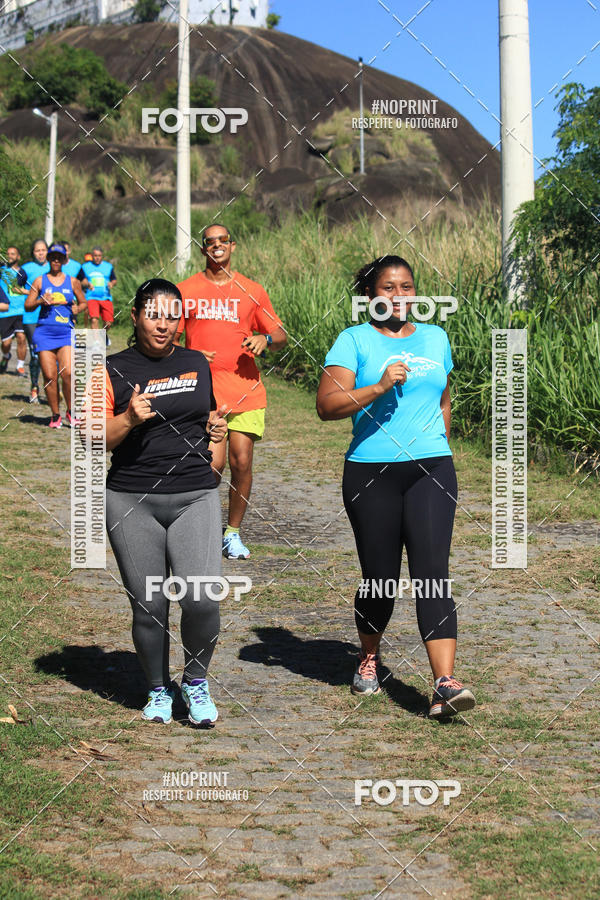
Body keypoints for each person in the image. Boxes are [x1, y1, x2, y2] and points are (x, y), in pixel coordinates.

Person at [316, 255, 475, 719]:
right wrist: (380, 386)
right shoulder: (354, 341)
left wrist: (439, 442)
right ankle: (369, 655)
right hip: (371, 473)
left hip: (431, 469)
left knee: (432, 574)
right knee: (380, 578)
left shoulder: (435, 337)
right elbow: (326, 405)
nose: (399, 296)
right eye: (389, 287)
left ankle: (444, 684)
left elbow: (444, 397)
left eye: (407, 287)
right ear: (370, 296)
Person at [97, 278, 228, 726]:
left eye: (172, 315)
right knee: (150, 605)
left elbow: (211, 422)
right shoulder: (109, 368)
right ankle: (157, 689)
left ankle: (195, 682)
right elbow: (96, 438)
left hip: (195, 495)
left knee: (203, 599)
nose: (163, 323)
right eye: (153, 313)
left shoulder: (196, 363)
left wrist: (218, 440)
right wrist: (129, 418)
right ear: (134, 316)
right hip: (131, 499)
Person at [177, 224, 287, 559]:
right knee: (212, 464)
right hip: (204, 392)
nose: (216, 245)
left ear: (232, 245)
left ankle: (232, 533)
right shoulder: (185, 290)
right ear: (203, 250)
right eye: (209, 242)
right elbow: (168, 339)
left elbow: (280, 333)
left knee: (241, 461)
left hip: (246, 391)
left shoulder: (252, 289)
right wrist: (191, 355)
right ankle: (201, 528)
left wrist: (264, 339)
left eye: (222, 240)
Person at [24, 242, 87, 428]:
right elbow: (28, 305)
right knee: (50, 376)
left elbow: (83, 303)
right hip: (44, 333)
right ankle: (55, 415)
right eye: (53, 257)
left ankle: (71, 411)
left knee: (68, 373)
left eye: (60, 258)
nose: (56, 260)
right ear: (49, 259)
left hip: (65, 333)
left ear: (64, 260)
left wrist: (78, 308)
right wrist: (40, 301)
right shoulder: (40, 281)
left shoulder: (73, 281)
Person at [21, 239, 49, 402]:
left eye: (43, 250)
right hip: (31, 317)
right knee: (36, 354)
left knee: (52, 354)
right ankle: (34, 388)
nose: (40, 253)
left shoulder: (52, 268)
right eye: (37, 250)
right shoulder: (26, 269)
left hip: (50, 317)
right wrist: (32, 293)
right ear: (33, 252)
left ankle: (52, 388)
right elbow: (15, 287)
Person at [78, 246, 116, 344]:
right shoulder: (85, 267)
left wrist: (111, 284)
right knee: (94, 319)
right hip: (91, 297)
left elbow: (114, 279)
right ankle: (96, 342)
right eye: (95, 256)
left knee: (108, 323)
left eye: (99, 256)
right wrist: (86, 283)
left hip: (105, 297)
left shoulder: (108, 267)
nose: (97, 258)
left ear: (102, 256)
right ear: (92, 256)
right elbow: (81, 280)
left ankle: (103, 334)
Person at [0, 246, 28, 376]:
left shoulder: (23, 272)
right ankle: (6, 355)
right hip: (6, 311)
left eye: (13, 254)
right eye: (8, 254)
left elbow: (23, 287)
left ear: (18, 257)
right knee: (6, 343)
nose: (10, 256)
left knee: (22, 338)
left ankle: (20, 366)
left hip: (21, 311)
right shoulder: (1, 270)